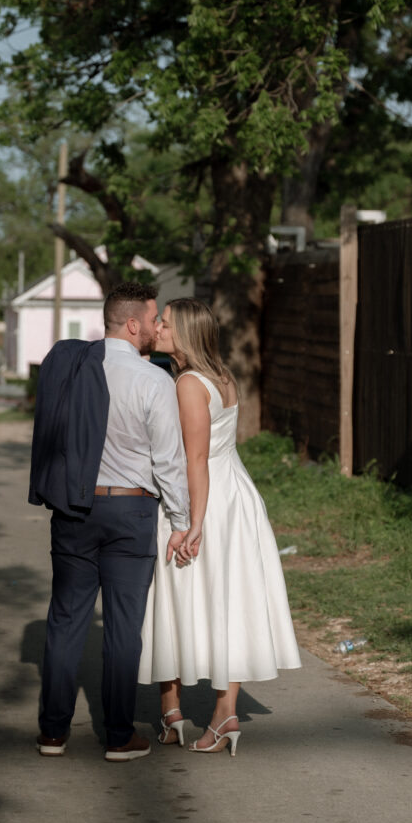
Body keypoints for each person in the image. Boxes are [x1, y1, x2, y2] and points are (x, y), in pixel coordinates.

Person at [29, 282, 190, 762]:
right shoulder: (152, 380)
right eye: (154, 317)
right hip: (130, 511)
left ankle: (52, 734)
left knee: (65, 621)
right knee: (123, 628)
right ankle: (119, 736)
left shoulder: (74, 368)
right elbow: (168, 460)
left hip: (73, 508)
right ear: (134, 323)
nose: (157, 326)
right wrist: (180, 519)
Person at [138, 298, 301, 755]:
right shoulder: (223, 376)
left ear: (185, 332)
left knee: (174, 596)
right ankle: (223, 712)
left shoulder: (188, 383)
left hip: (204, 499)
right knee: (224, 600)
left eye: (165, 323)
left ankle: (172, 713)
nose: (158, 328)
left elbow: (194, 459)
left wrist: (191, 522)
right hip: (236, 493)